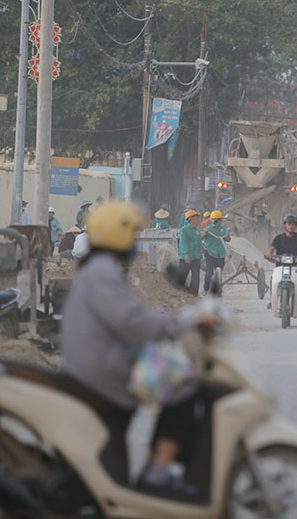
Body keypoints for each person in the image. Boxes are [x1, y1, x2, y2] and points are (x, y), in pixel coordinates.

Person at [61, 201, 219, 497]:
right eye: (131, 233)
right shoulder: (104, 271)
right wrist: (180, 324)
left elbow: (129, 314)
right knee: (185, 387)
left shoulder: (98, 268)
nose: (134, 240)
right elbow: (131, 321)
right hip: (104, 368)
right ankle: (157, 472)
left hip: (99, 360)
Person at [267, 214, 297, 310]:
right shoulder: (279, 238)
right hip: (280, 265)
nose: (291, 226)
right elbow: (271, 249)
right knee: (273, 280)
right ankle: (272, 300)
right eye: (289, 224)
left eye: (293, 224)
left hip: (295, 265)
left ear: (296, 226)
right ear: (285, 225)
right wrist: (269, 254)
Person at [201, 210, 230, 293]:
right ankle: (205, 289)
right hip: (210, 253)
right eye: (221, 219)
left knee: (219, 273)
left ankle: (218, 288)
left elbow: (228, 239)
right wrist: (205, 233)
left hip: (220, 253)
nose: (222, 221)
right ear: (218, 220)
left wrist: (228, 233)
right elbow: (201, 237)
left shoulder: (223, 229)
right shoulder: (208, 229)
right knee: (209, 272)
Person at [178, 210, 203, 295]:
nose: (198, 219)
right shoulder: (184, 230)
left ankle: (194, 295)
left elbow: (199, 244)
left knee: (196, 277)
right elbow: (183, 243)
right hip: (186, 258)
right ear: (191, 218)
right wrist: (185, 254)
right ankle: (178, 294)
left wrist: (200, 255)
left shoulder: (197, 231)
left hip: (196, 257)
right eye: (196, 217)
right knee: (182, 276)